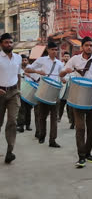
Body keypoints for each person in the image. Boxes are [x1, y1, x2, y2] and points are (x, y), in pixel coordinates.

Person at [60, 36, 92, 168]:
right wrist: (65, 71)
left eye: (91, 45)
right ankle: (81, 156)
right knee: (80, 128)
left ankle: (88, 153)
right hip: (78, 97)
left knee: (91, 128)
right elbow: (62, 75)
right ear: (82, 47)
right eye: (86, 45)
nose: (89, 47)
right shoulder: (74, 60)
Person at [25, 42, 65, 148]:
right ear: (48, 50)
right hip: (43, 91)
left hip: (55, 92)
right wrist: (38, 72)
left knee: (54, 118)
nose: (54, 51)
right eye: (52, 49)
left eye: (56, 50)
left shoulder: (60, 63)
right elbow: (28, 69)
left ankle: (52, 140)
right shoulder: (41, 60)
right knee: (42, 116)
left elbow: (61, 76)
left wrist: (63, 79)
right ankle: (42, 135)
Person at [0, 33, 22, 164]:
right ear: (1, 44)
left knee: (12, 121)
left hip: (13, 92)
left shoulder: (18, 58)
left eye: (10, 42)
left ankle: (9, 151)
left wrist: (19, 90)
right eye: (6, 42)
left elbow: (19, 75)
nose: (9, 44)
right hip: (0, 92)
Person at [16, 55, 33, 133]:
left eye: (25, 60)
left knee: (28, 109)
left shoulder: (31, 68)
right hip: (21, 91)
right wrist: (24, 74)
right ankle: (20, 125)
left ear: (28, 61)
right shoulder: (17, 68)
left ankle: (28, 125)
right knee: (21, 109)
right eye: (22, 60)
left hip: (29, 92)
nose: (24, 62)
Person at [58, 51, 74, 128]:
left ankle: (71, 119)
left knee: (69, 105)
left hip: (70, 87)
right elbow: (58, 75)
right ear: (63, 57)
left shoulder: (72, 66)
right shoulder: (61, 66)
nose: (66, 57)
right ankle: (59, 117)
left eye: (68, 56)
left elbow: (73, 75)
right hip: (62, 87)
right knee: (61, 103)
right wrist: (61, 79)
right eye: (65, 56)